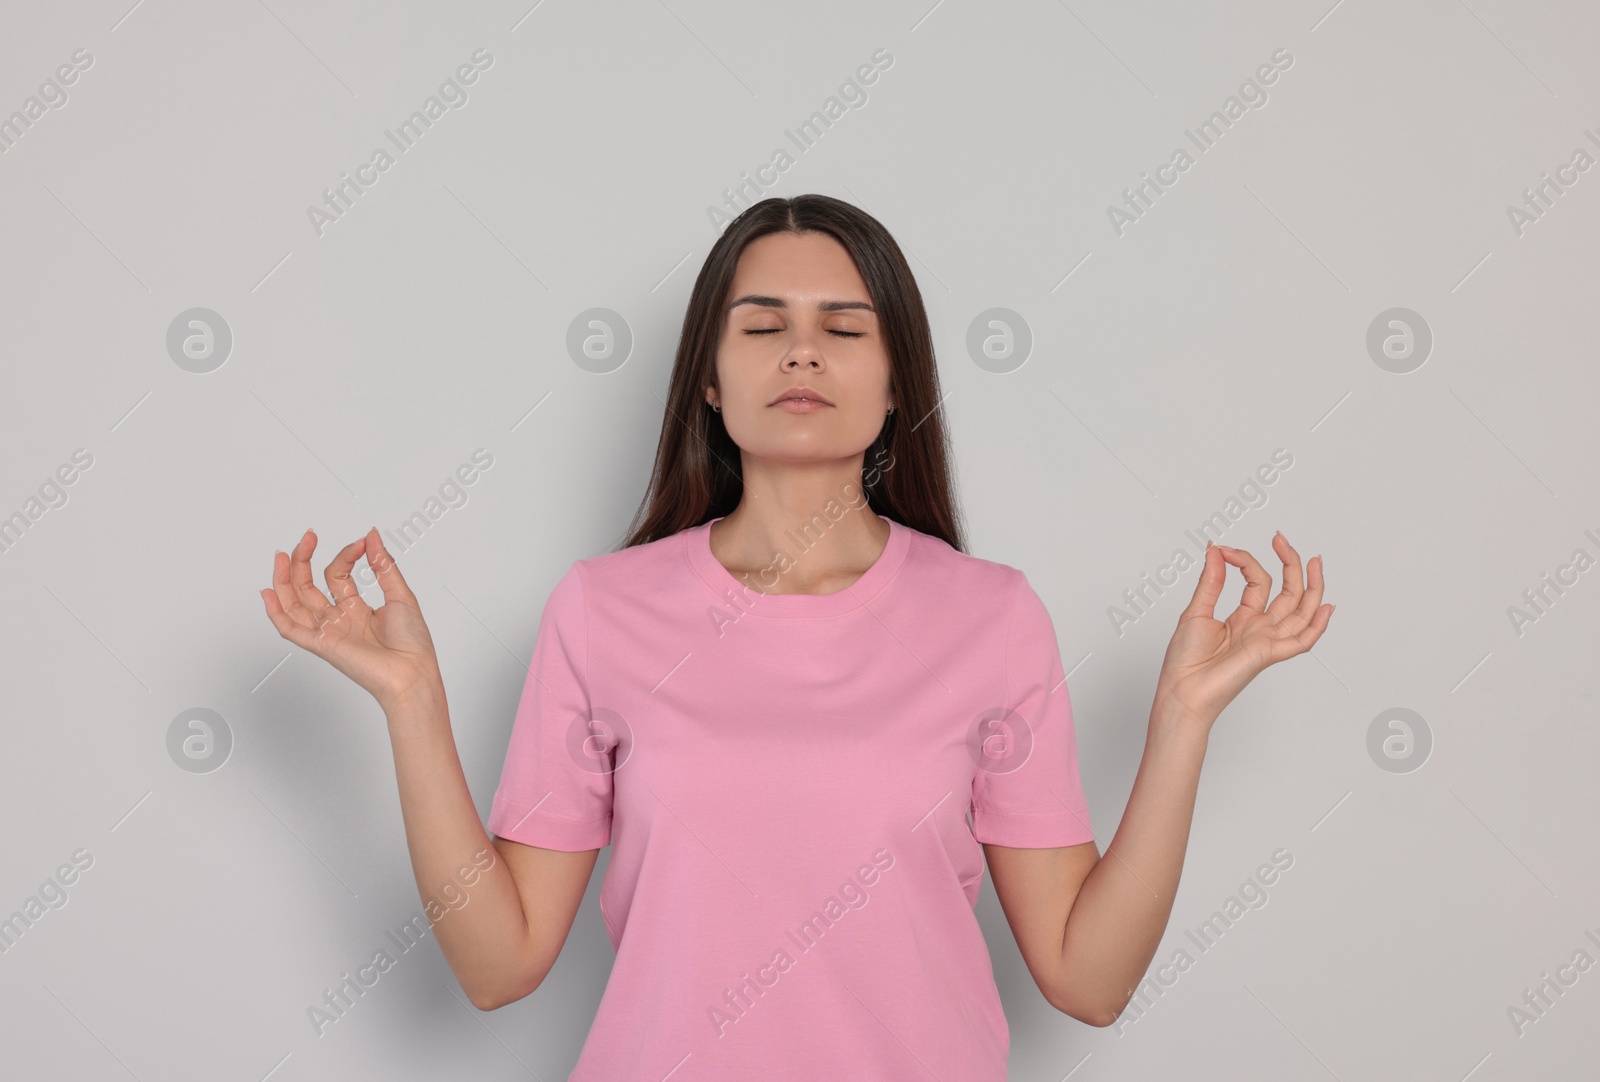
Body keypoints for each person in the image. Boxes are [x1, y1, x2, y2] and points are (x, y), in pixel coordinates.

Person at [259, 193, 1333, 1080]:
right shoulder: (601, 610)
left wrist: (1183, 716)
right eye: (764, 326)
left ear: (895, 377)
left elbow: (1086, 979)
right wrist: (412, 702)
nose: (803, 353)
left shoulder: (991, 616)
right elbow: (497, 963)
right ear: (712, 381)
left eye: (845, 328)